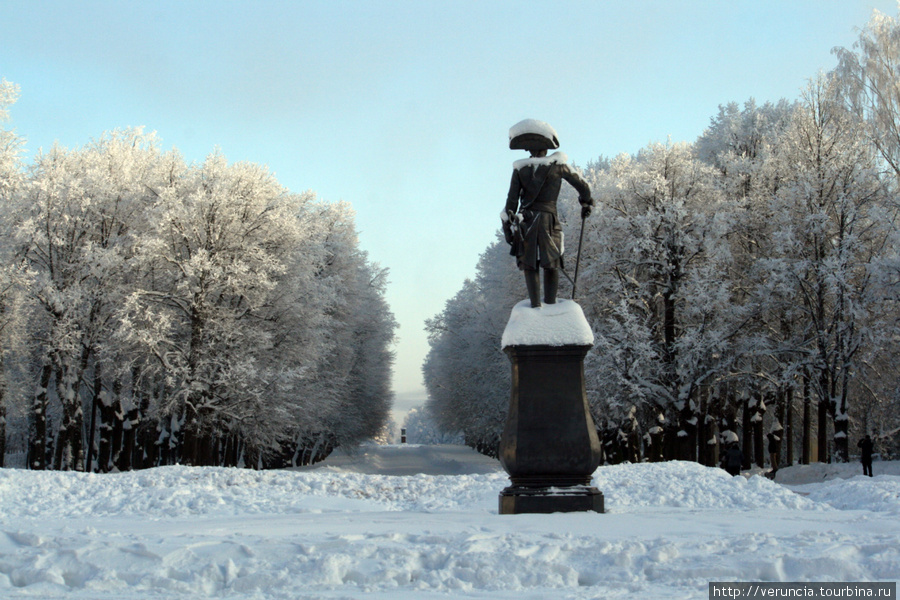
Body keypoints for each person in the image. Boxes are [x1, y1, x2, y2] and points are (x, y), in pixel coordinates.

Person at [503, 119, 593, 308]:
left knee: (530, 263)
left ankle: (535, 305)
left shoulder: (520, 169)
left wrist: (508, 225)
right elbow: (582, 186)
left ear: (529, 149)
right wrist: (585, 202)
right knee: (551, 261)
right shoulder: (558, 165)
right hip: (549, 220)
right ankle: (550, 304)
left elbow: (511, 202)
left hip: (526, 220)